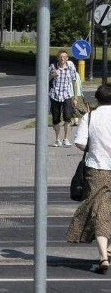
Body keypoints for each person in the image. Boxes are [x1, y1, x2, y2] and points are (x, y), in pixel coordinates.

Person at [67, 84, 111, 274]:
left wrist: (94, 146)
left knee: (98, 210)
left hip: (96, 168)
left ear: (97, 98)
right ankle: (107, 251)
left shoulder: (90, 117)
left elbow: (80, 142)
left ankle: (103, 256)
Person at [49, 50, 78, 147]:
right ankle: (57, 139)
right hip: (55, 95)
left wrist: (75, 97)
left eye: (64, 57)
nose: (62, 59)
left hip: (67, 95)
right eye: (60, 57)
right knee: (56, 119)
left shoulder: (70, 68)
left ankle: (66, 139)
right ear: (58, 58)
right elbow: (45, 78)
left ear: (67, 58)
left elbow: (74, 81)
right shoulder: (53, 66)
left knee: (67, 118)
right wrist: (52, 75)